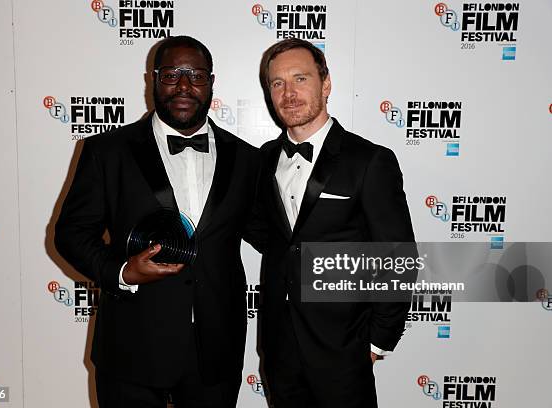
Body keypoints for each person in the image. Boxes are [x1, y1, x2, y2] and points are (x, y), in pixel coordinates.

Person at [54, 36, 261, 408]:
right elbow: (70, 234)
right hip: (131, 347)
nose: (184, 86)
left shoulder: (247, 159)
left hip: (215, 351)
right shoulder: (108, 151)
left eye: (196, 75)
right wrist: (121, 272)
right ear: (152, 79)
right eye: (171, 74)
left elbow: (276, 236)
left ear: (212, 82)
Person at [256, 38, 415, 407]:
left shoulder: (370, 161)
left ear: (326, 85)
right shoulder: (263, 160)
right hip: (279, 350)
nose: (288, 93)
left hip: (344, 350)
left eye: (300, 78)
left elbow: (398, 257)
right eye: (277, 83)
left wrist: (376, 342)